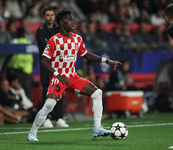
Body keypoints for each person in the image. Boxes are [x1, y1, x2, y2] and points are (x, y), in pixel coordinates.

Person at [27, 9, 121, 141]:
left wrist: (106, 61)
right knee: (49, 104)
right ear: (61, 22)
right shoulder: (54, 40)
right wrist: (57, 74)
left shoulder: (77, 38)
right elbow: (44, 61)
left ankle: (97, 128)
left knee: (97, 93)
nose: (73, 22)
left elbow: (85, 54)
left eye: (73, 19)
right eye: (69, 19)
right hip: (58, 77)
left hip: (72, 76)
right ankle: (32, 133)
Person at [36, 7, 68, 128]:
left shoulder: (59, 29)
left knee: (59, 91)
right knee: (46, 92)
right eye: (47, 15)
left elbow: (63, 44)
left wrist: (52, 44)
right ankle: (46, 118)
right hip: (46, 66)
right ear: (44, 17)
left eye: (52, 15)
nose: (50, 17)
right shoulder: (40, 30)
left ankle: (59, 117)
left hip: (59, 66)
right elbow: (45, 46)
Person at [6, 27, 33, 100]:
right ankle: (29, 107)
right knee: (26, 90)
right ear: (24, 35)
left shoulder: (13, 42)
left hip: (14, 71)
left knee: (14, 90)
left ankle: (16, 106)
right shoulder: (29, 43)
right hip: (26, 71)